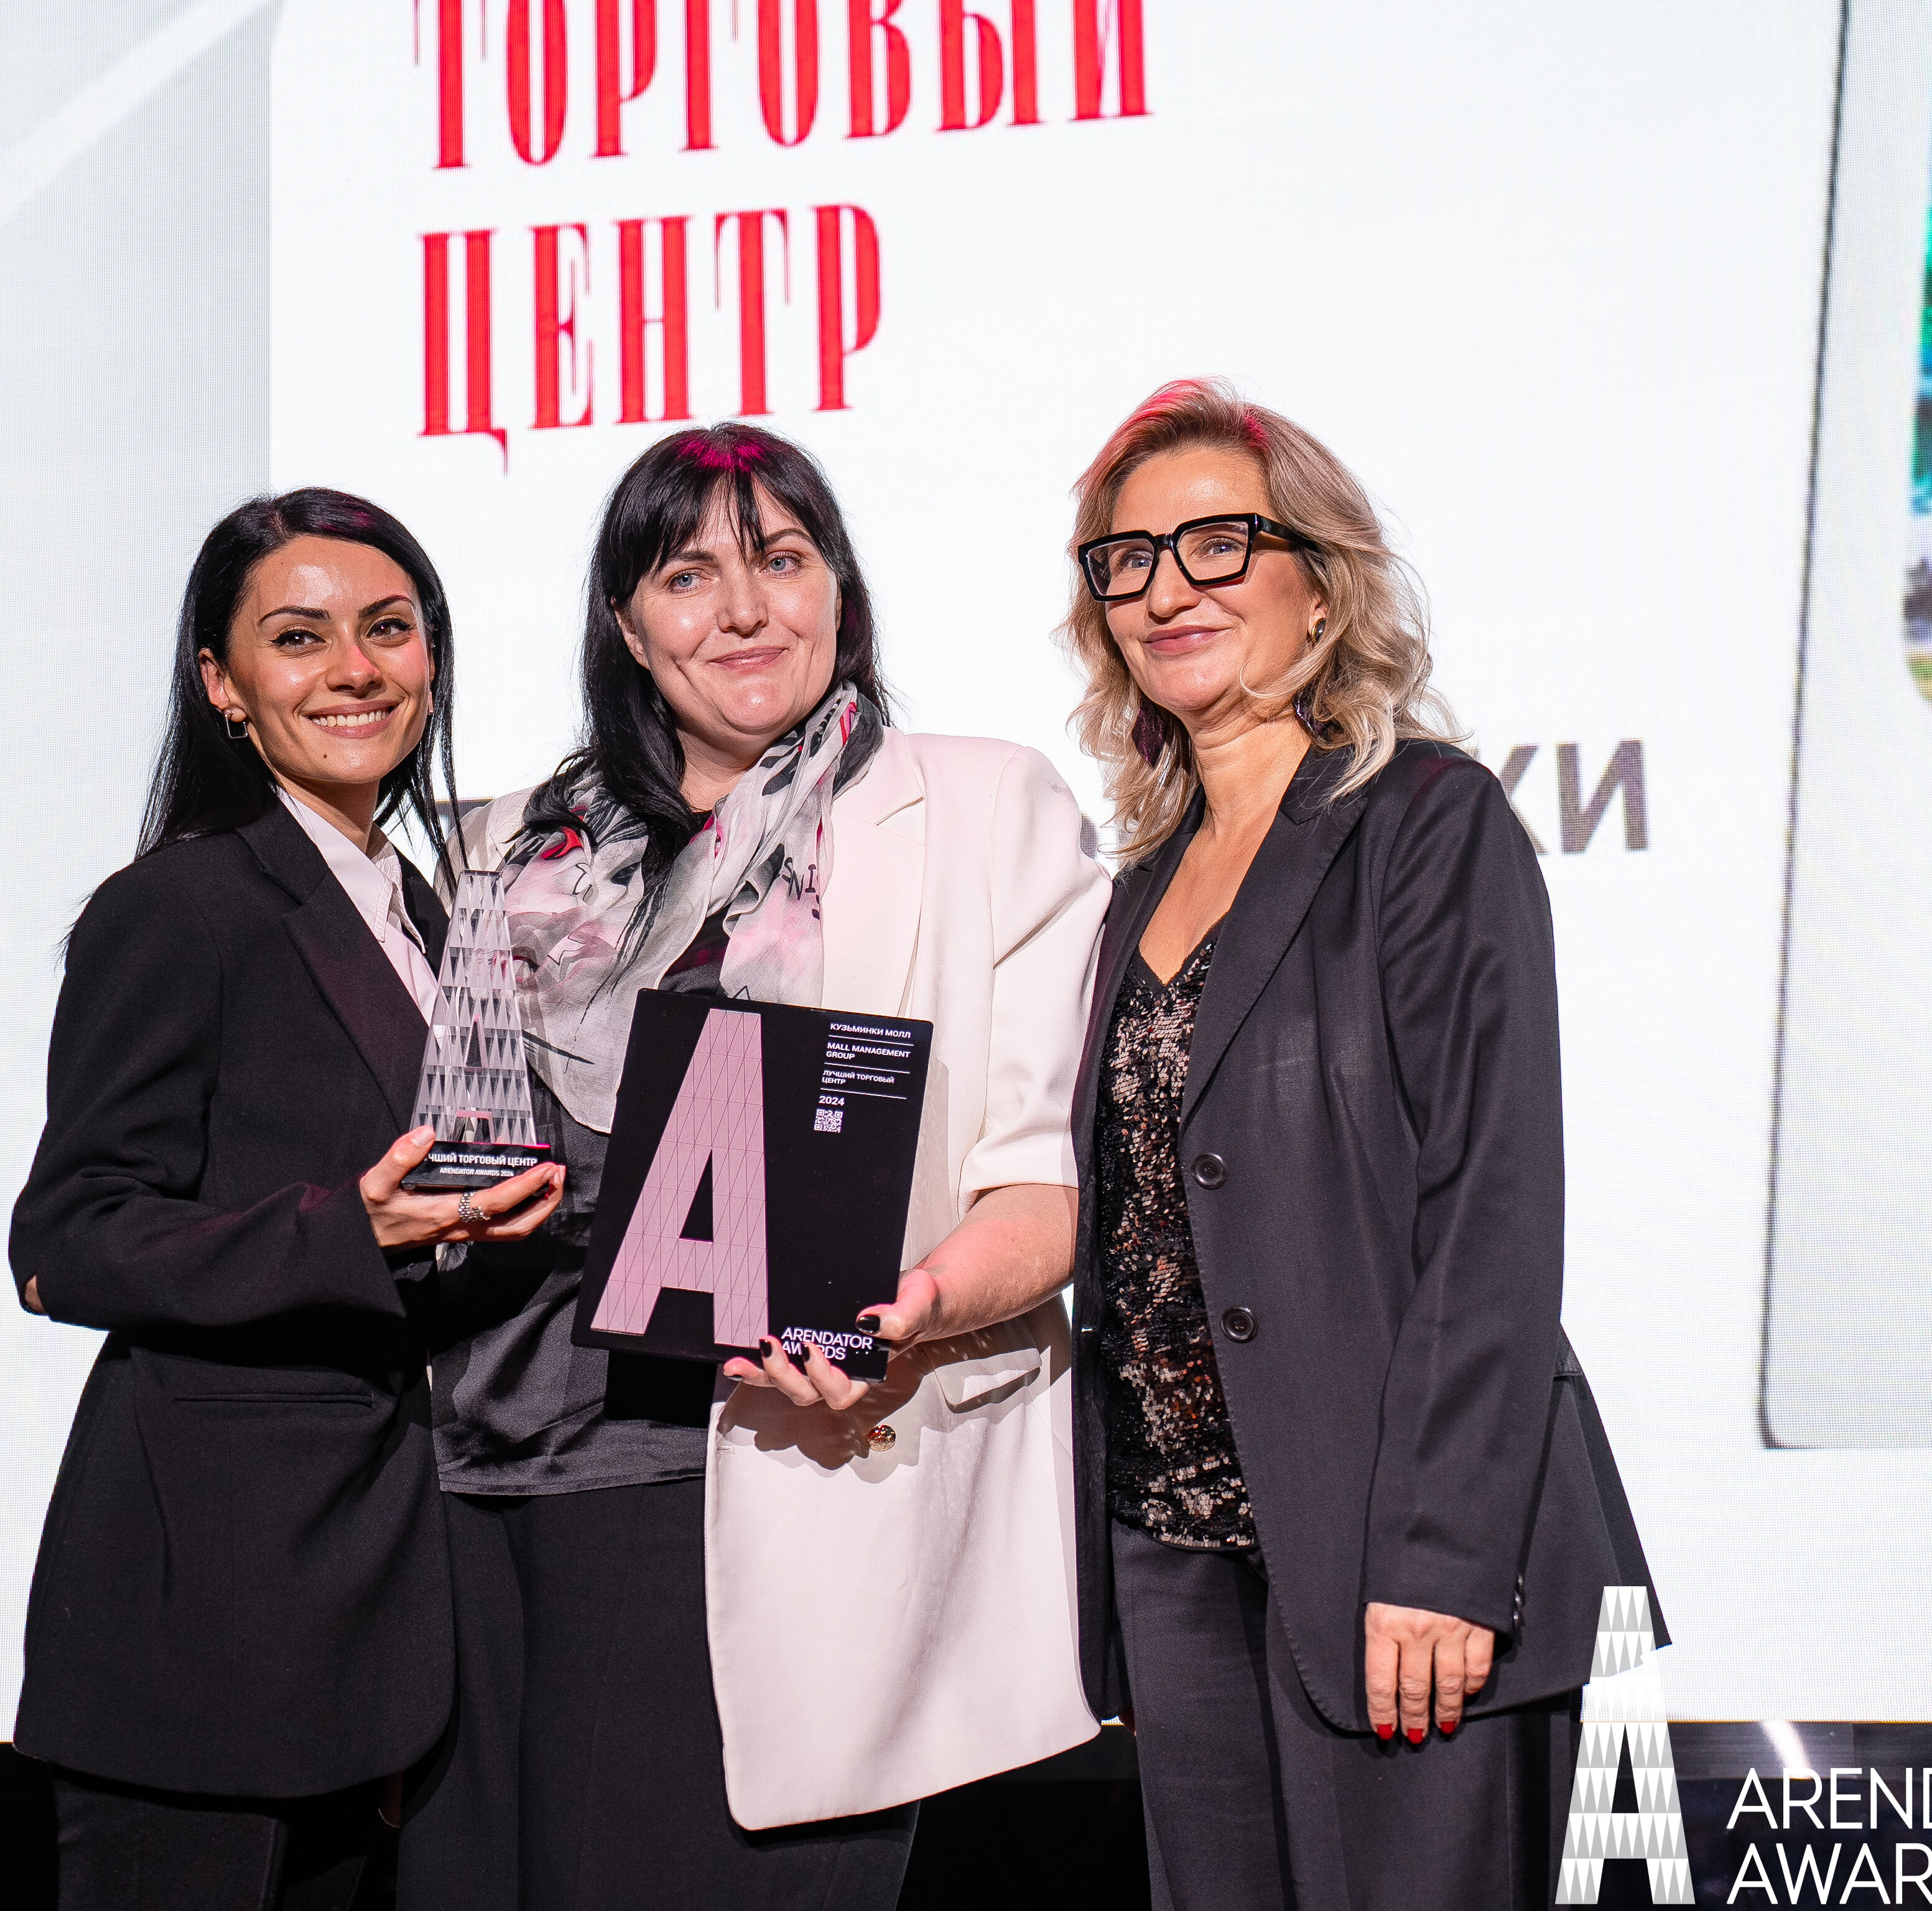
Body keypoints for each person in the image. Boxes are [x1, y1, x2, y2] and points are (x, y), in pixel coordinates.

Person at [398, 425, 1110, 1911]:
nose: (741, 611)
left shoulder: (979, 812)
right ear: (626, 622)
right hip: (477, 1491)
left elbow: (1042, 1188)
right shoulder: (506, 852)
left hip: (754, 1474)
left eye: (781, 561)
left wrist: (902, 1320)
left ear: (839, 590)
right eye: (686, 576)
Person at [1059, 379, 1662, 1911]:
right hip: (1176, 1558)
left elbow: (1493, 1210)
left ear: (1322, 587)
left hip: (1393, 1563)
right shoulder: (1134, 886)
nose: (1167, 590)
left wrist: (1442, 1559)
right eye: (1127, 561)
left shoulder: (1428, 823)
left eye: (1217, 544)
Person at [8, 489, 565, 1911]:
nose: (355, 670)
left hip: (378, 1615)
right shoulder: (181, 905)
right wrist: (342, 1232)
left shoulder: (434, 912)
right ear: (224, 685)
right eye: (301, 638)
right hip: (207, 1620)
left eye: (389, 629)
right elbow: (66, 1238)